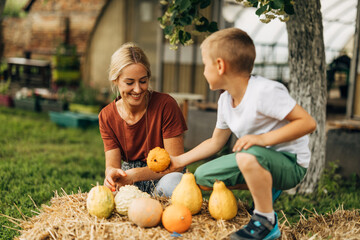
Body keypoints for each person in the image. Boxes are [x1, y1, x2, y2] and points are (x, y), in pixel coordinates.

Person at [164, 28, 317, 240]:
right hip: (255, 158)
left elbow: (307, 123)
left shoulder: (264, 92)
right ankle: (264, 186)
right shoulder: (225, 101)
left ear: (219, 65)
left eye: (205, 64)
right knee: (202, 177)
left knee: (248, 155)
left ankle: (266, 220)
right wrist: (179, 160)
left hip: (290, 164)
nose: (203, 70)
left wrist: (262, 139)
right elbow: (216, 141)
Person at [99, 42, 187, 196]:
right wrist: (111, 175)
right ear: (115, 80)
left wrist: (137, 175)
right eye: (129, 82)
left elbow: (176, 165)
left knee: (175, 182)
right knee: (105, 195)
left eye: (143, 81)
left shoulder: (166, 105)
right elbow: (112, 165)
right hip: (129, 177)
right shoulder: (107, 116)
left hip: (165, 174)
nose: (138, 89)